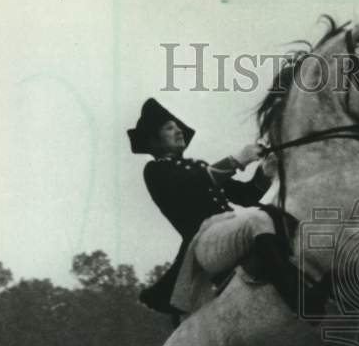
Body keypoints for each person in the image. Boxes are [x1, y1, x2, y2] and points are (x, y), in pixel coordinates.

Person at [128, 98, 303, 322]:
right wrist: (237, 160)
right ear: (154, 140)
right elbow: (194, 182)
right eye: (169, 128)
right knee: (258, 221)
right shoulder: (154, 171)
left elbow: (246, 196)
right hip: (204, 239)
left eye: (178, 126)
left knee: (280, 218)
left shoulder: (199, 166)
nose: (178, 131)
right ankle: (296, 297)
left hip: (227, 230)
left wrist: (264, 172)